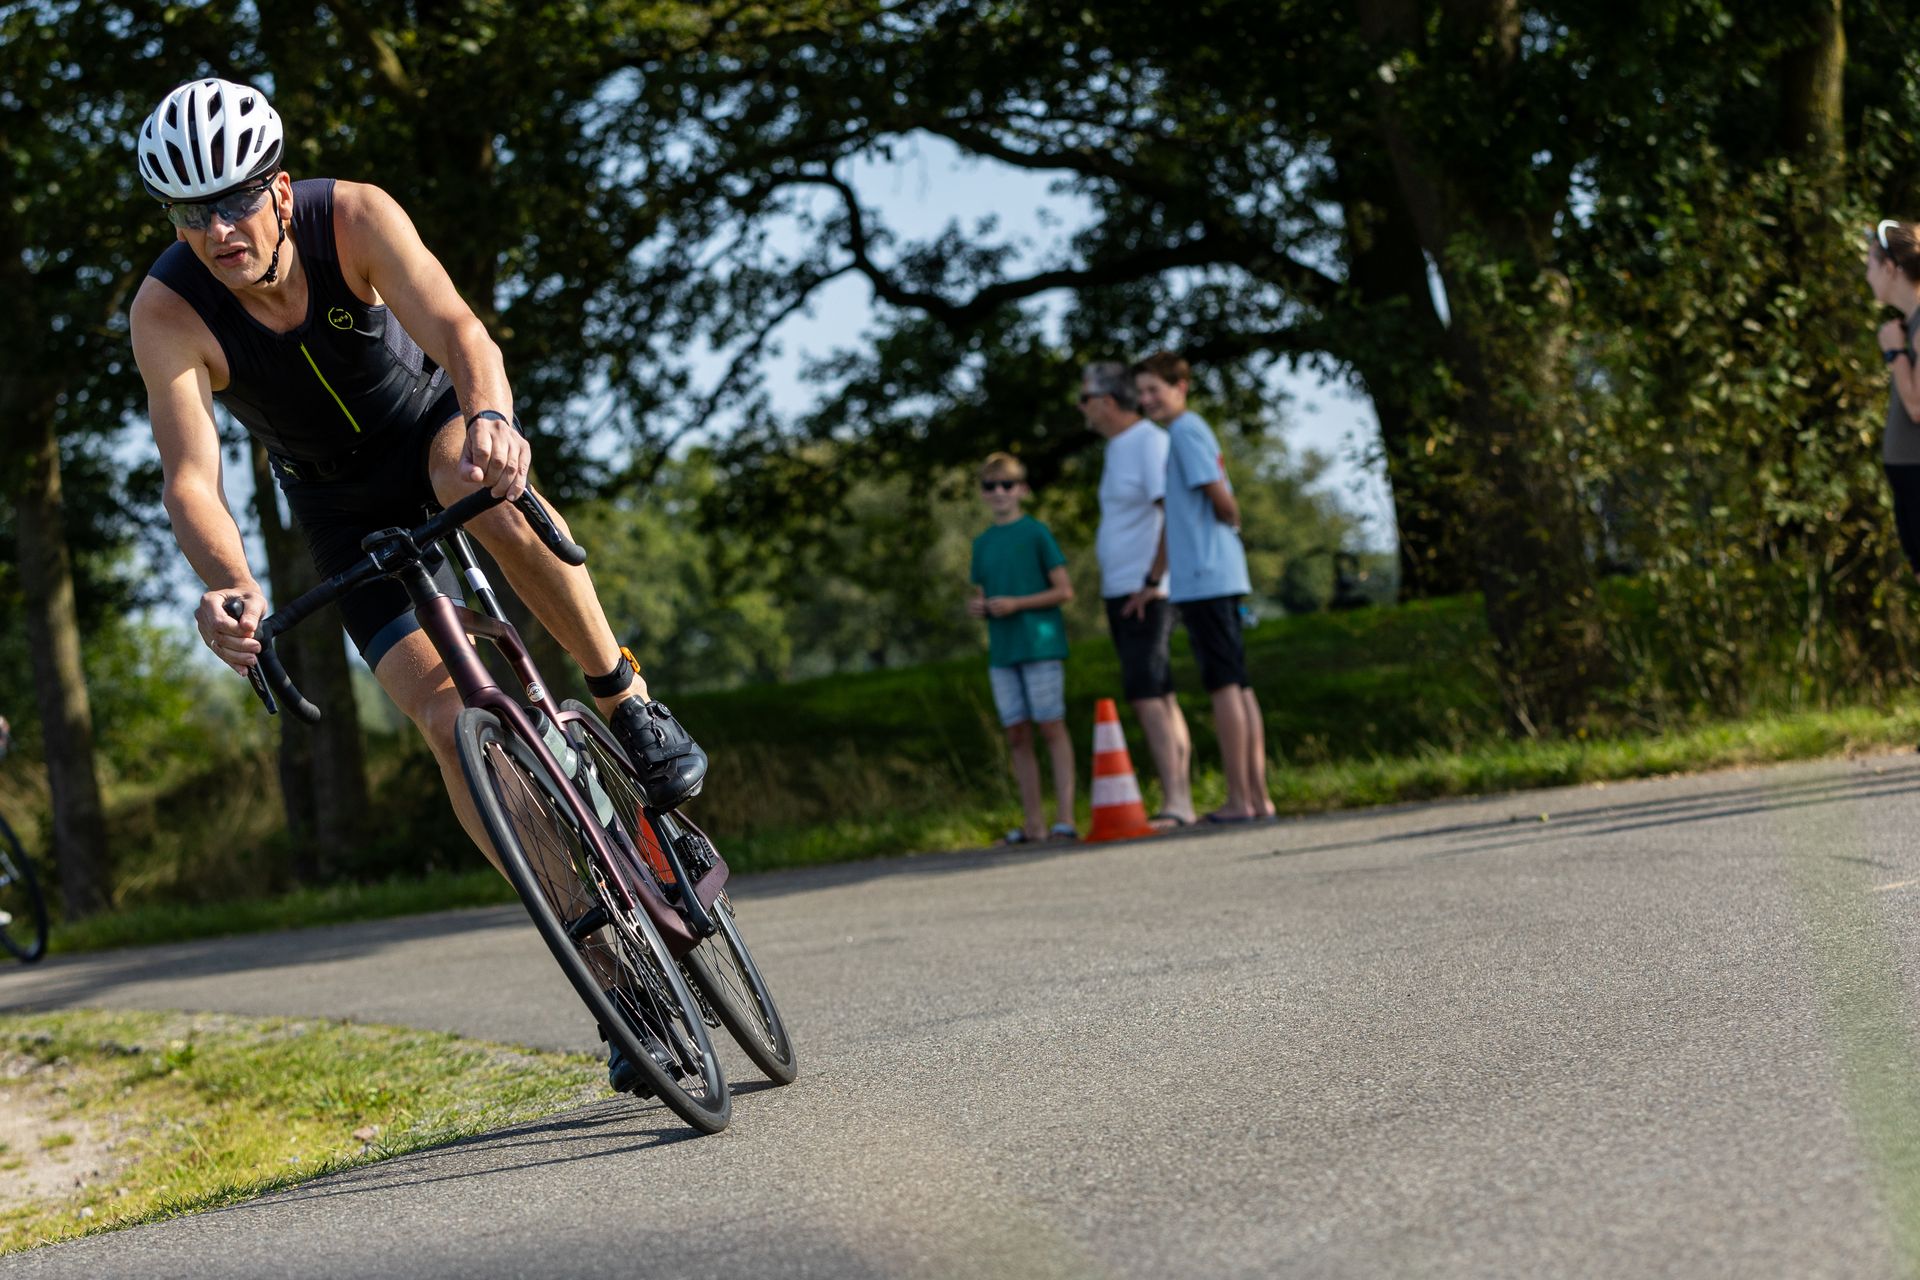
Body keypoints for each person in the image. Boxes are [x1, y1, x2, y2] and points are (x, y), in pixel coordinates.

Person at [127, 77, 703, 1092]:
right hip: (338, 508)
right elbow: (190, 477)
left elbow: (461, 329)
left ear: (279, 186)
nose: (215, 228)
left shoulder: (352, 214)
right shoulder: (169, 308)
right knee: (446, 721)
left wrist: (492, 414)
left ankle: (626, 695)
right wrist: (228, 586)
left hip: (435, 433)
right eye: (190, 211)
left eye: (232, 200)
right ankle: (617, 984)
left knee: (471, 480)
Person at [1129, 352, 1274, 823]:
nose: (1147, 399)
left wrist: (1229, 523)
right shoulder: (1184, 434)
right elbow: (1177, 519)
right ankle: (1256, 798)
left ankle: (1241, 799)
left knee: (1225, 686)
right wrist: (1155, 580)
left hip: (1208, 578)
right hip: (1207, 577)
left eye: (1155, 389)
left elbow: (1221, 501)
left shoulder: (1187, 431)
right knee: (1239, 683)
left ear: (1180, 386)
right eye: (1142, 391)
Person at [1078, 361, 1195, 829]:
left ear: (1107, 402)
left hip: (1144, 591)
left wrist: (1152, 581)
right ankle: (1179, 797)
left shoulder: (1148, 443)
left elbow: (1173, 514)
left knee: (1150, 693)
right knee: (1157, 692)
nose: (1081, 408)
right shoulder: (1120, 448)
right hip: (1127, 588)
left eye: (1084, 398)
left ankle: (1177, 801)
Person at [967, 452, 1078, 843]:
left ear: (1022, 490)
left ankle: (1065, 818)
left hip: (1040, 644)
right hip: (1003, 650)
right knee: (1016, 733)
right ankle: (1033, 823)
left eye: (1007, 485)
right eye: (990, 486)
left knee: (1051, 726)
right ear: (982, 494)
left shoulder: (1036, 533)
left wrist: (1018, 604)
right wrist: (980, 607)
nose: (999, 493)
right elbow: (981, 592)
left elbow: (1064, 590)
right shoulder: (982, 544)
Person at [1869, 218, 1920, 577]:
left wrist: (1894, 352)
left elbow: (1918, 406)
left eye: (1870, 266)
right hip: (1908, 477)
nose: (1868, 276)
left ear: (1890, 268)